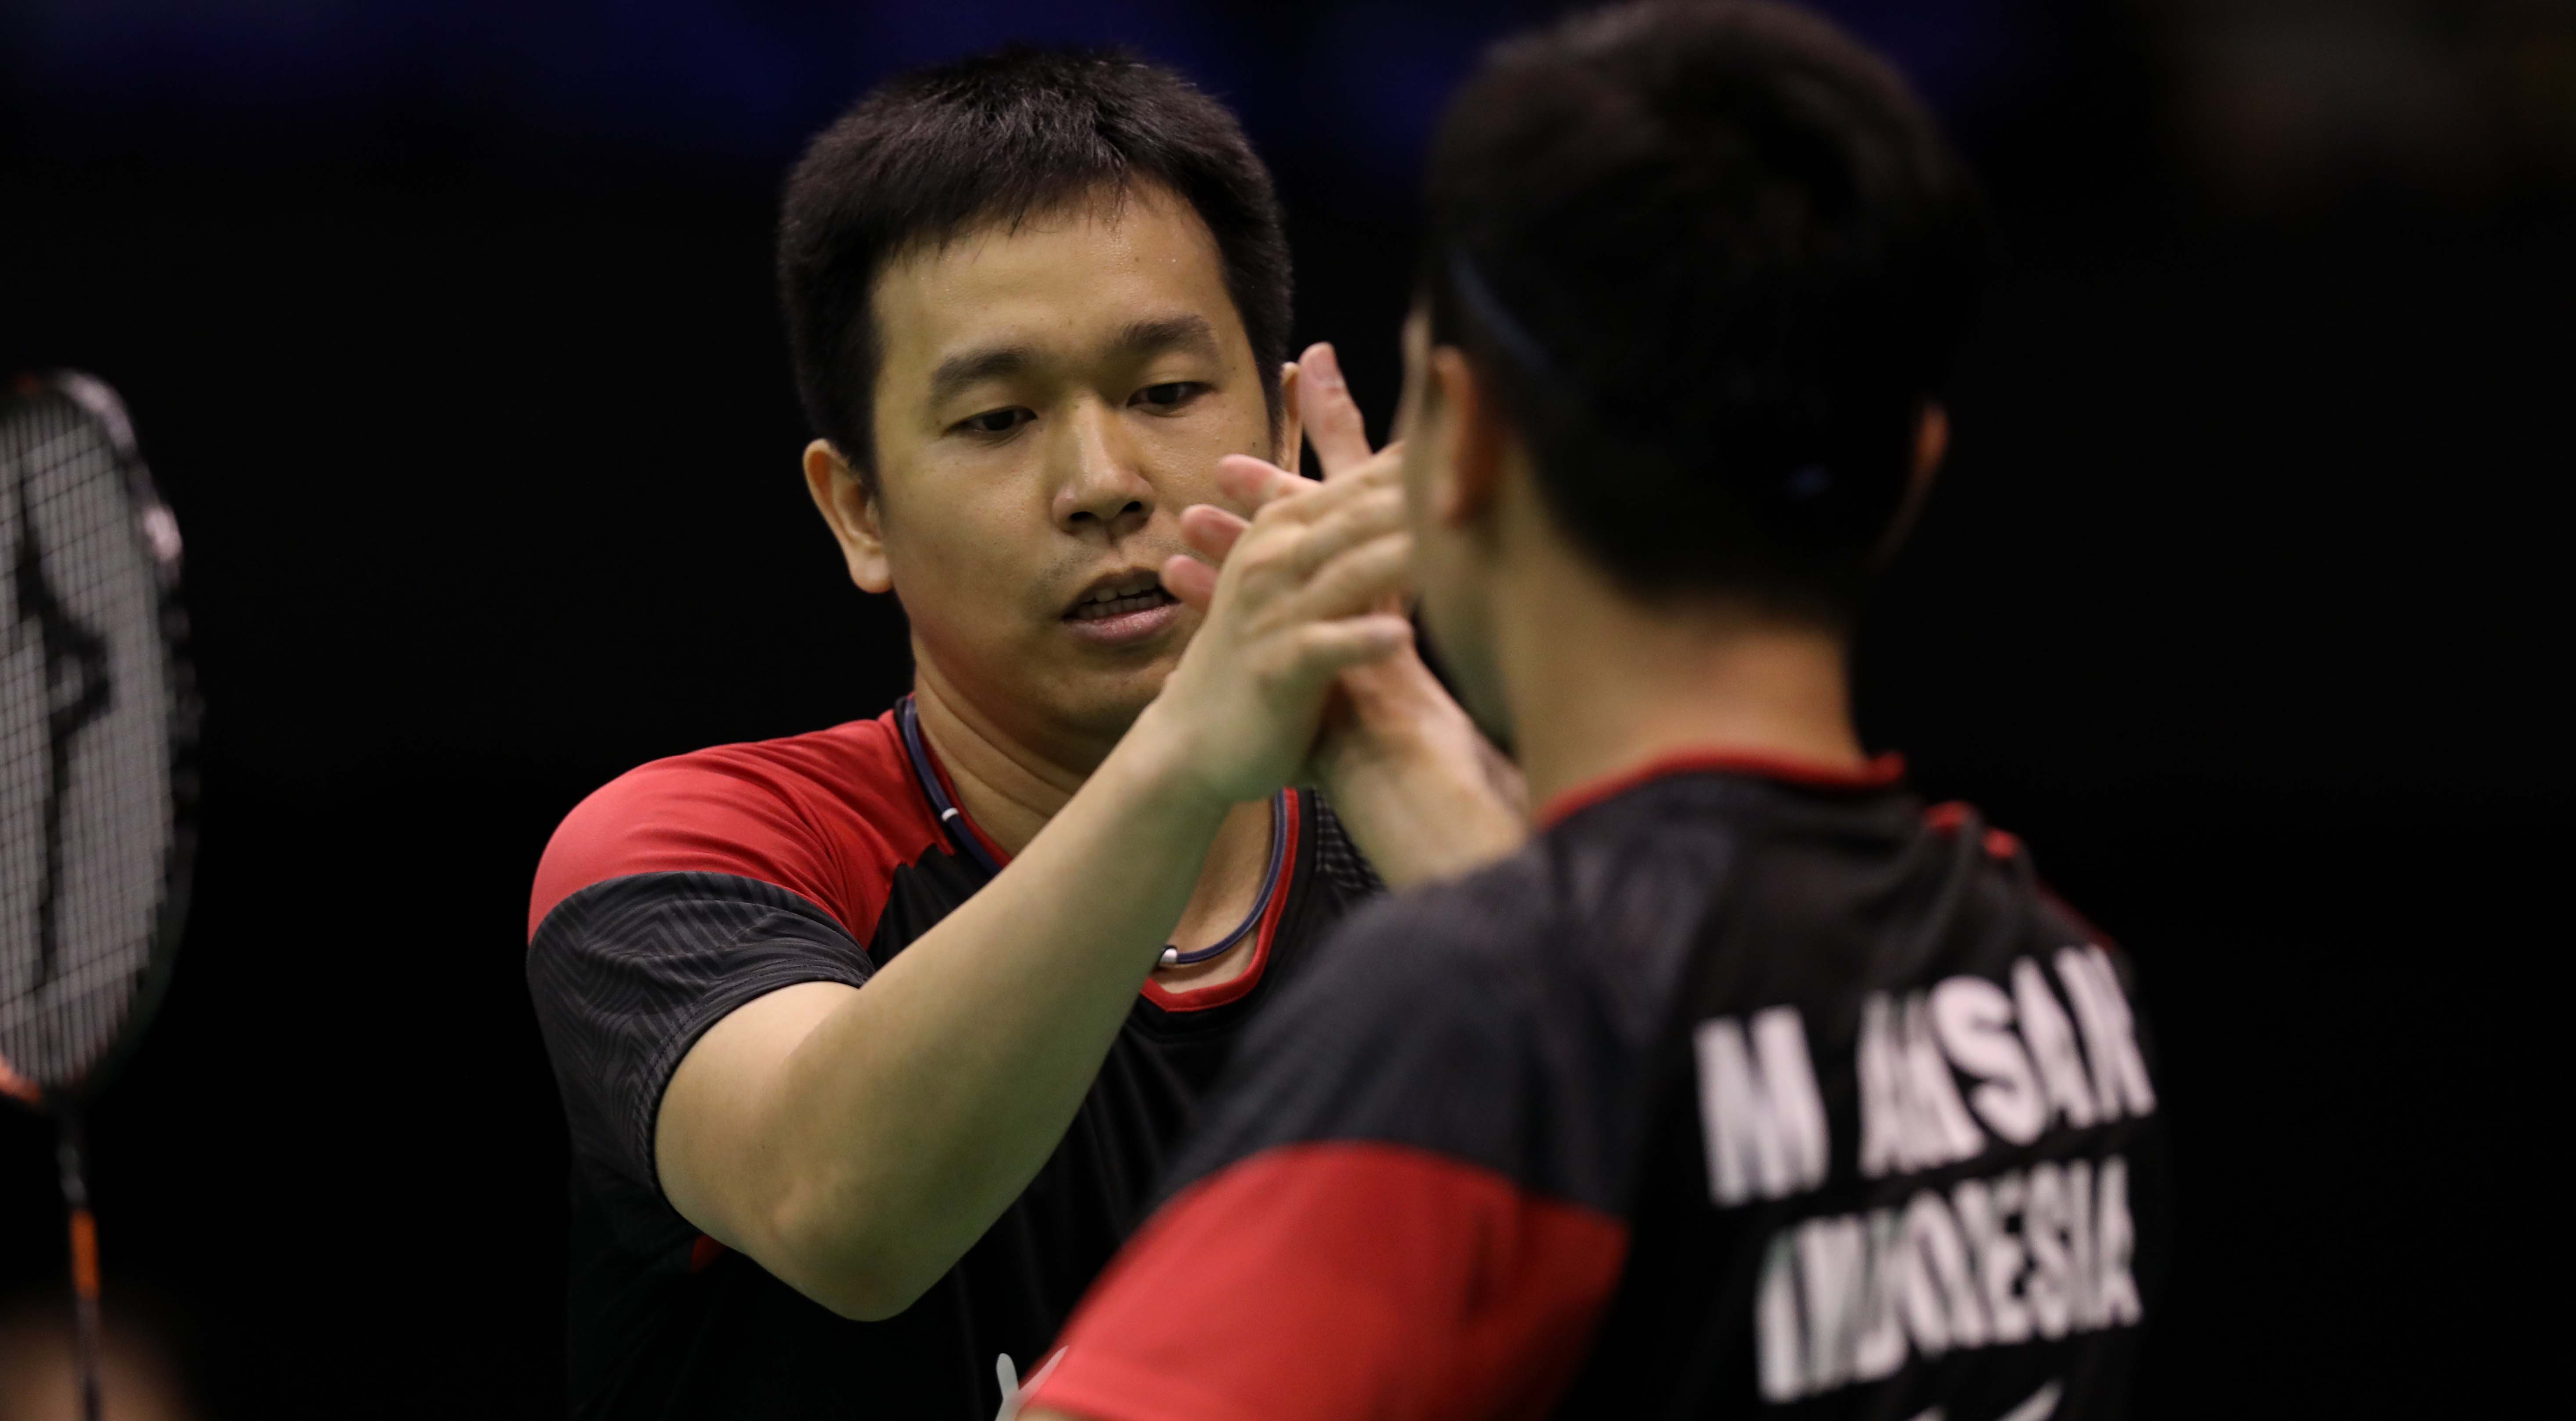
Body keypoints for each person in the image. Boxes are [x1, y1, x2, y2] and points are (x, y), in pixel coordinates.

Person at [1021, 4, 2167, 1418]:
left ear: (1467, 443)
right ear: (1909, 476)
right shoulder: (2058, 981)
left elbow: (1588, 1012)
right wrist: (1389, 729)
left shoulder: (1470, 1008)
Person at [521, 47, 1521, 1420]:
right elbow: (843, 1211)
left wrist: (1393, 742)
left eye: (1166, 393)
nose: (1103, 482)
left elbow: (1702, 1182)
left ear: (1289, 432)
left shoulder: (1450, 849)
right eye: (998, 419)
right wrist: (1194, 746)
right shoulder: (694, 856)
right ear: (859, 510)